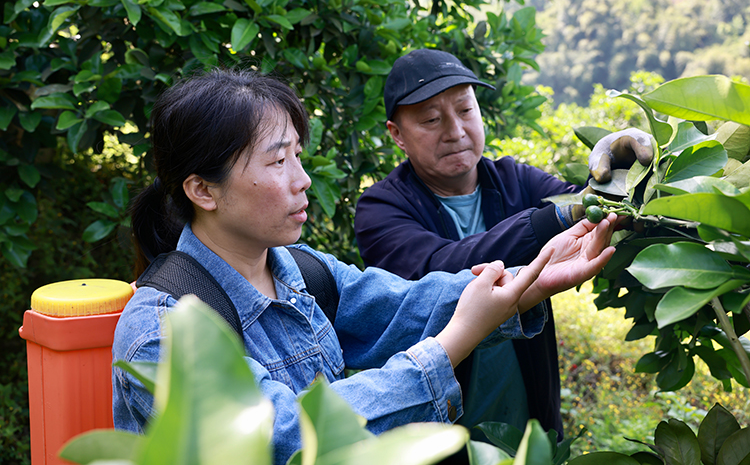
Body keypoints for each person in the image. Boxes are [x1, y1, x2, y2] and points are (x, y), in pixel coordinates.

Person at [112, 68, 617, 465]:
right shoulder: (163, 331)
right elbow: (286, 439)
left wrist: (527, 283)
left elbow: (403, 306)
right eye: (277, 162)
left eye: (298, 157)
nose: (303, 180)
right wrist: (456, 339)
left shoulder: (300, 271)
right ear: (203, 189)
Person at [354, 49, 653, 440]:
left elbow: (587, 205)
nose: (455, 131)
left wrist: (632, 176)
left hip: (529, 420)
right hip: (435, 437)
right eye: (431, 119)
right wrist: (561, 215)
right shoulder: (381, 208)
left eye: (465, 110)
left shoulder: (514, 180)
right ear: (397, 134)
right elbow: (437, 267)